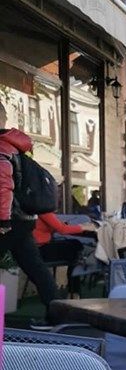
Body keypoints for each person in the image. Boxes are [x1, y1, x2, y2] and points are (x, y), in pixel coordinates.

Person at [0, 100, 58, 317]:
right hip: (23, 219)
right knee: (36, 268)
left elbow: (2, 186)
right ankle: (58, 314)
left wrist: (3, 222)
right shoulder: (15, 147)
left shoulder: (2, 147)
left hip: (9, 221)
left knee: (35, 267)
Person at [32, 209, 98, 297]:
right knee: (75, 248)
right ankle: (74, 291)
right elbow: (62, 230)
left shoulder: (38, 210)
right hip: (41, 250)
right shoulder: (43, 211)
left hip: (37, 249)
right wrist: (84, 227)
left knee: (74, 249)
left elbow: (57, 226)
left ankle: (73, 291)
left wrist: (80, 226)